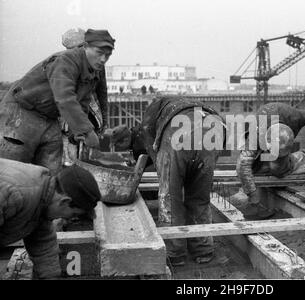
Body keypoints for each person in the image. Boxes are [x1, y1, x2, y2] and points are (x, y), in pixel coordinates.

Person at [110, 96, 225, 267]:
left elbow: (154, 151)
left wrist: (164, 173)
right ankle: (203, 250)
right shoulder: (181, 104)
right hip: (214, 129)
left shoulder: (150, 115)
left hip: (178, 133)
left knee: (170, 198)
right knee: (200, 197)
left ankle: (175, 252)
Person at [0, 29, 115, 174]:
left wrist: (77, 132)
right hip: (21, 113)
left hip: (50, 118)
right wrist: (87, 131)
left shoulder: (93, 70)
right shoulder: (64, 61)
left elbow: (83, 101)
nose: (103, 59)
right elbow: (65, 98)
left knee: (51, 174)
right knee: (11, 172)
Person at [0, 158, 101, 279]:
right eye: (73, 214)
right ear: (65, 201)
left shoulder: (43, 198)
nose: (69, 219)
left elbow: (43, 247)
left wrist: (52, 276)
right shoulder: (15, 193)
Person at [237, 102, 305, 220]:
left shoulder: (295, 116)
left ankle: (304, 159)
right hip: (258, 154)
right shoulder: (258, 132)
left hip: (284, 153)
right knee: (254, 169)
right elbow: (242, 165)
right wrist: (253, 198)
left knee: (279, 170)